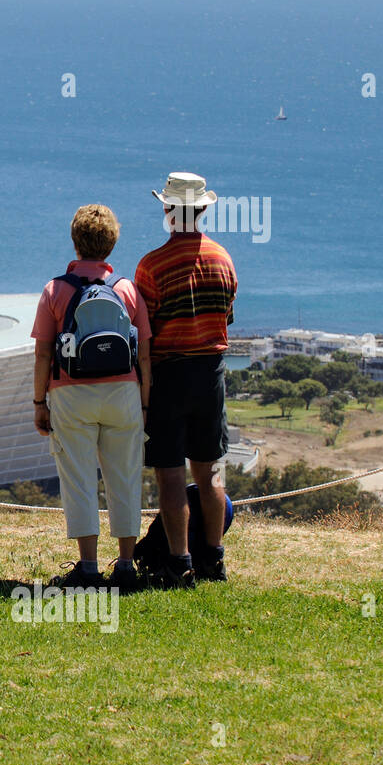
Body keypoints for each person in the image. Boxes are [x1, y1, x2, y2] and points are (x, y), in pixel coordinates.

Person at [32, 204, 153, 592]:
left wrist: (39, 403)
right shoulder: (126, 290)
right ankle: (126, 565)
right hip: (123, 392)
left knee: (79, 479)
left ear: (75, 241)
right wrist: (145, 403)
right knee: (125, 476)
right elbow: (145, 353)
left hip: (71, 394)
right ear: (112, 245)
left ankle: (87, 567)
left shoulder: (56, 290)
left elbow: (43, 353)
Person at [135, 172, 239, 587]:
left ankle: (180, 562)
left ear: (167, 211)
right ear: (203, 210)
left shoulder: (151, 265)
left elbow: (146, 330)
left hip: (168, 374)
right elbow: (226, 318)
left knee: (170, 473)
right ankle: (214, 559)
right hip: (210, 373)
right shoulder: (223, 259)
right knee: (209, 472)